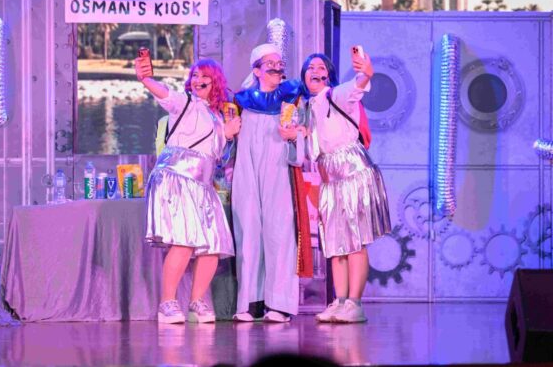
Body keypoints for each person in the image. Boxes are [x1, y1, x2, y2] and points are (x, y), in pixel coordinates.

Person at [285, 48, 391, 323]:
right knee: (335, 243)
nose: (315, 71)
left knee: (355, 241)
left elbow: (358, 85)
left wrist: (365, 72)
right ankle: (340, 301)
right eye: (310, 68)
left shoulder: (337, 95)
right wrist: (296, 135)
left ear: (329, 76)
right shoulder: (306, 109)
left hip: (353, 171)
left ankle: (355, 303)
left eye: (321, 67)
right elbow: (310, 151)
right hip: (329, 178)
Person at [135, 56, 241, 324]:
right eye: (195, 75)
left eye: (204, 76)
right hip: (178, 176)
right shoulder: (185, 103)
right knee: (183, 242)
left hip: (203, 185)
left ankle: (196, 302)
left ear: (215, 82)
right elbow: (165, 94)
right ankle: (167, 304)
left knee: (213, 245)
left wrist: (227, 134)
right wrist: (146, 79)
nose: (198, 80)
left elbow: (219, 157)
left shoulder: (216, 116)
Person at [231, 43, 308, 323]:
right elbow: (230, 142)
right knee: (248, 229)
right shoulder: (241, 103)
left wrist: (295, 137)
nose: (277, 67)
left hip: (279, 168)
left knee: (279, 231)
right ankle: (252, 302)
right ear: (257, 70)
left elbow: (303, 136)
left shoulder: (291, 101)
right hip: (247, 169)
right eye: (270, 63)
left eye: (279, 63)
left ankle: (280, 303)